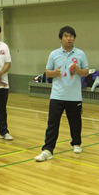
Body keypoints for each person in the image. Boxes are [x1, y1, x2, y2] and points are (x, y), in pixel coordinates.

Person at [34, 26, 89, 162]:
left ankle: (76, 143)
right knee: (52, 123)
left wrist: (79, 70)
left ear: (74, 38)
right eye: (66, 36)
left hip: (74, 95)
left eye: (71, 36)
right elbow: (47, 72)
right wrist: (55, 73)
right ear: (61, 38)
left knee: (75, 122)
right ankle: (48, 149)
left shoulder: (80, 54)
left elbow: (86, 72)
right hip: (57, 95)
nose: (69, 38)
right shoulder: (54, 54)